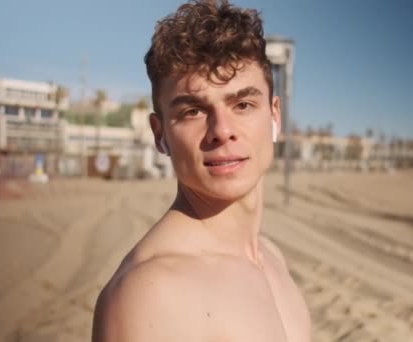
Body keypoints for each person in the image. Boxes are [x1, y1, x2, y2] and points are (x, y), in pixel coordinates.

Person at [92, 0, 311, 341]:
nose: (222, 130)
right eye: (193, 111)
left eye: (243, 104)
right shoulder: (147, 295)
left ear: (274, 116)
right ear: (160, 133)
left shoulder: (270, 256)